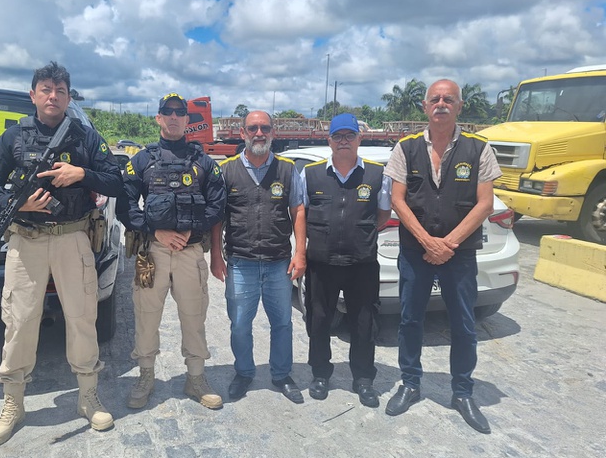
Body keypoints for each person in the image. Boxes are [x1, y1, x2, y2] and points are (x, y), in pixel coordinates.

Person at [0, 62, 123, 445]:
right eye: (45, 89)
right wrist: (17, 204)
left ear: (69, 97)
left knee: (82, 318)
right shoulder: (13, 137)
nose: (53, 96)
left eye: (60, 90)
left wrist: (82, 175)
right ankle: (13, 403)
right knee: (20, 321)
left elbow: (117, 181)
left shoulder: (86, 137)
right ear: (33, 95)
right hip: (26, 241)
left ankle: (88, 397)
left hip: (73, 237)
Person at [383, 79, 501, 434]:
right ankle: (410, 383)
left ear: (459, 106)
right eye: (435, 98)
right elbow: (397, 200)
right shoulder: (405, 148)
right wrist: (426, 242)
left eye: (449, 99)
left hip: (459, 254)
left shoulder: (479, 149)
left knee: (463, 323)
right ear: (424, 106)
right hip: (415, 252)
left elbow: (485, 203)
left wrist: (448, 243)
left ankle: (462, 392)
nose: (441, 104)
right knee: (410, 319)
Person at [116, 93, 226, 410]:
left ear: (188, 120)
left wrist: (192, 230)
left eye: (180, 112)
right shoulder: (142, 160)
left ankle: (196, 378)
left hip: (190, 253)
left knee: (194, 316)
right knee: (146, 316)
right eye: (168, 111)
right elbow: (125, 205)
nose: (174, 116)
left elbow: (218, 205)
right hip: (153, 252)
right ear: (159, 118)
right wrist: (156, 231)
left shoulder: (204, 162)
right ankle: (146, 376)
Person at [210, 111, 307, 404]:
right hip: (241, 263)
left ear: (273, 133)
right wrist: (216, 256)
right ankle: (244, 372)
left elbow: (298, 211)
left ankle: (281, 374)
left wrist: (300, 253)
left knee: (283, 324)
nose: (259, 133)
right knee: (240, 324)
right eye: (253, 128)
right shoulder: (226, 171)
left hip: (279, 262)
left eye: (265, 128)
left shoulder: (288, 170)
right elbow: (218, 218)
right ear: (242, 133)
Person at [300, 113, 391, 407]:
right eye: (337, 136)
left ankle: (363, 379)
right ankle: (320, 374)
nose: (343, 141)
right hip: (321, 263)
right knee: (319, 320)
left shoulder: (377, 174)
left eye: (349, 136)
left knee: (364, 322)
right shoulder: (310, 174)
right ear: (329, 140)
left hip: (361, 265)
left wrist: (358, 235)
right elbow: (301, 214)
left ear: (359, 139)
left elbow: (383, 215)